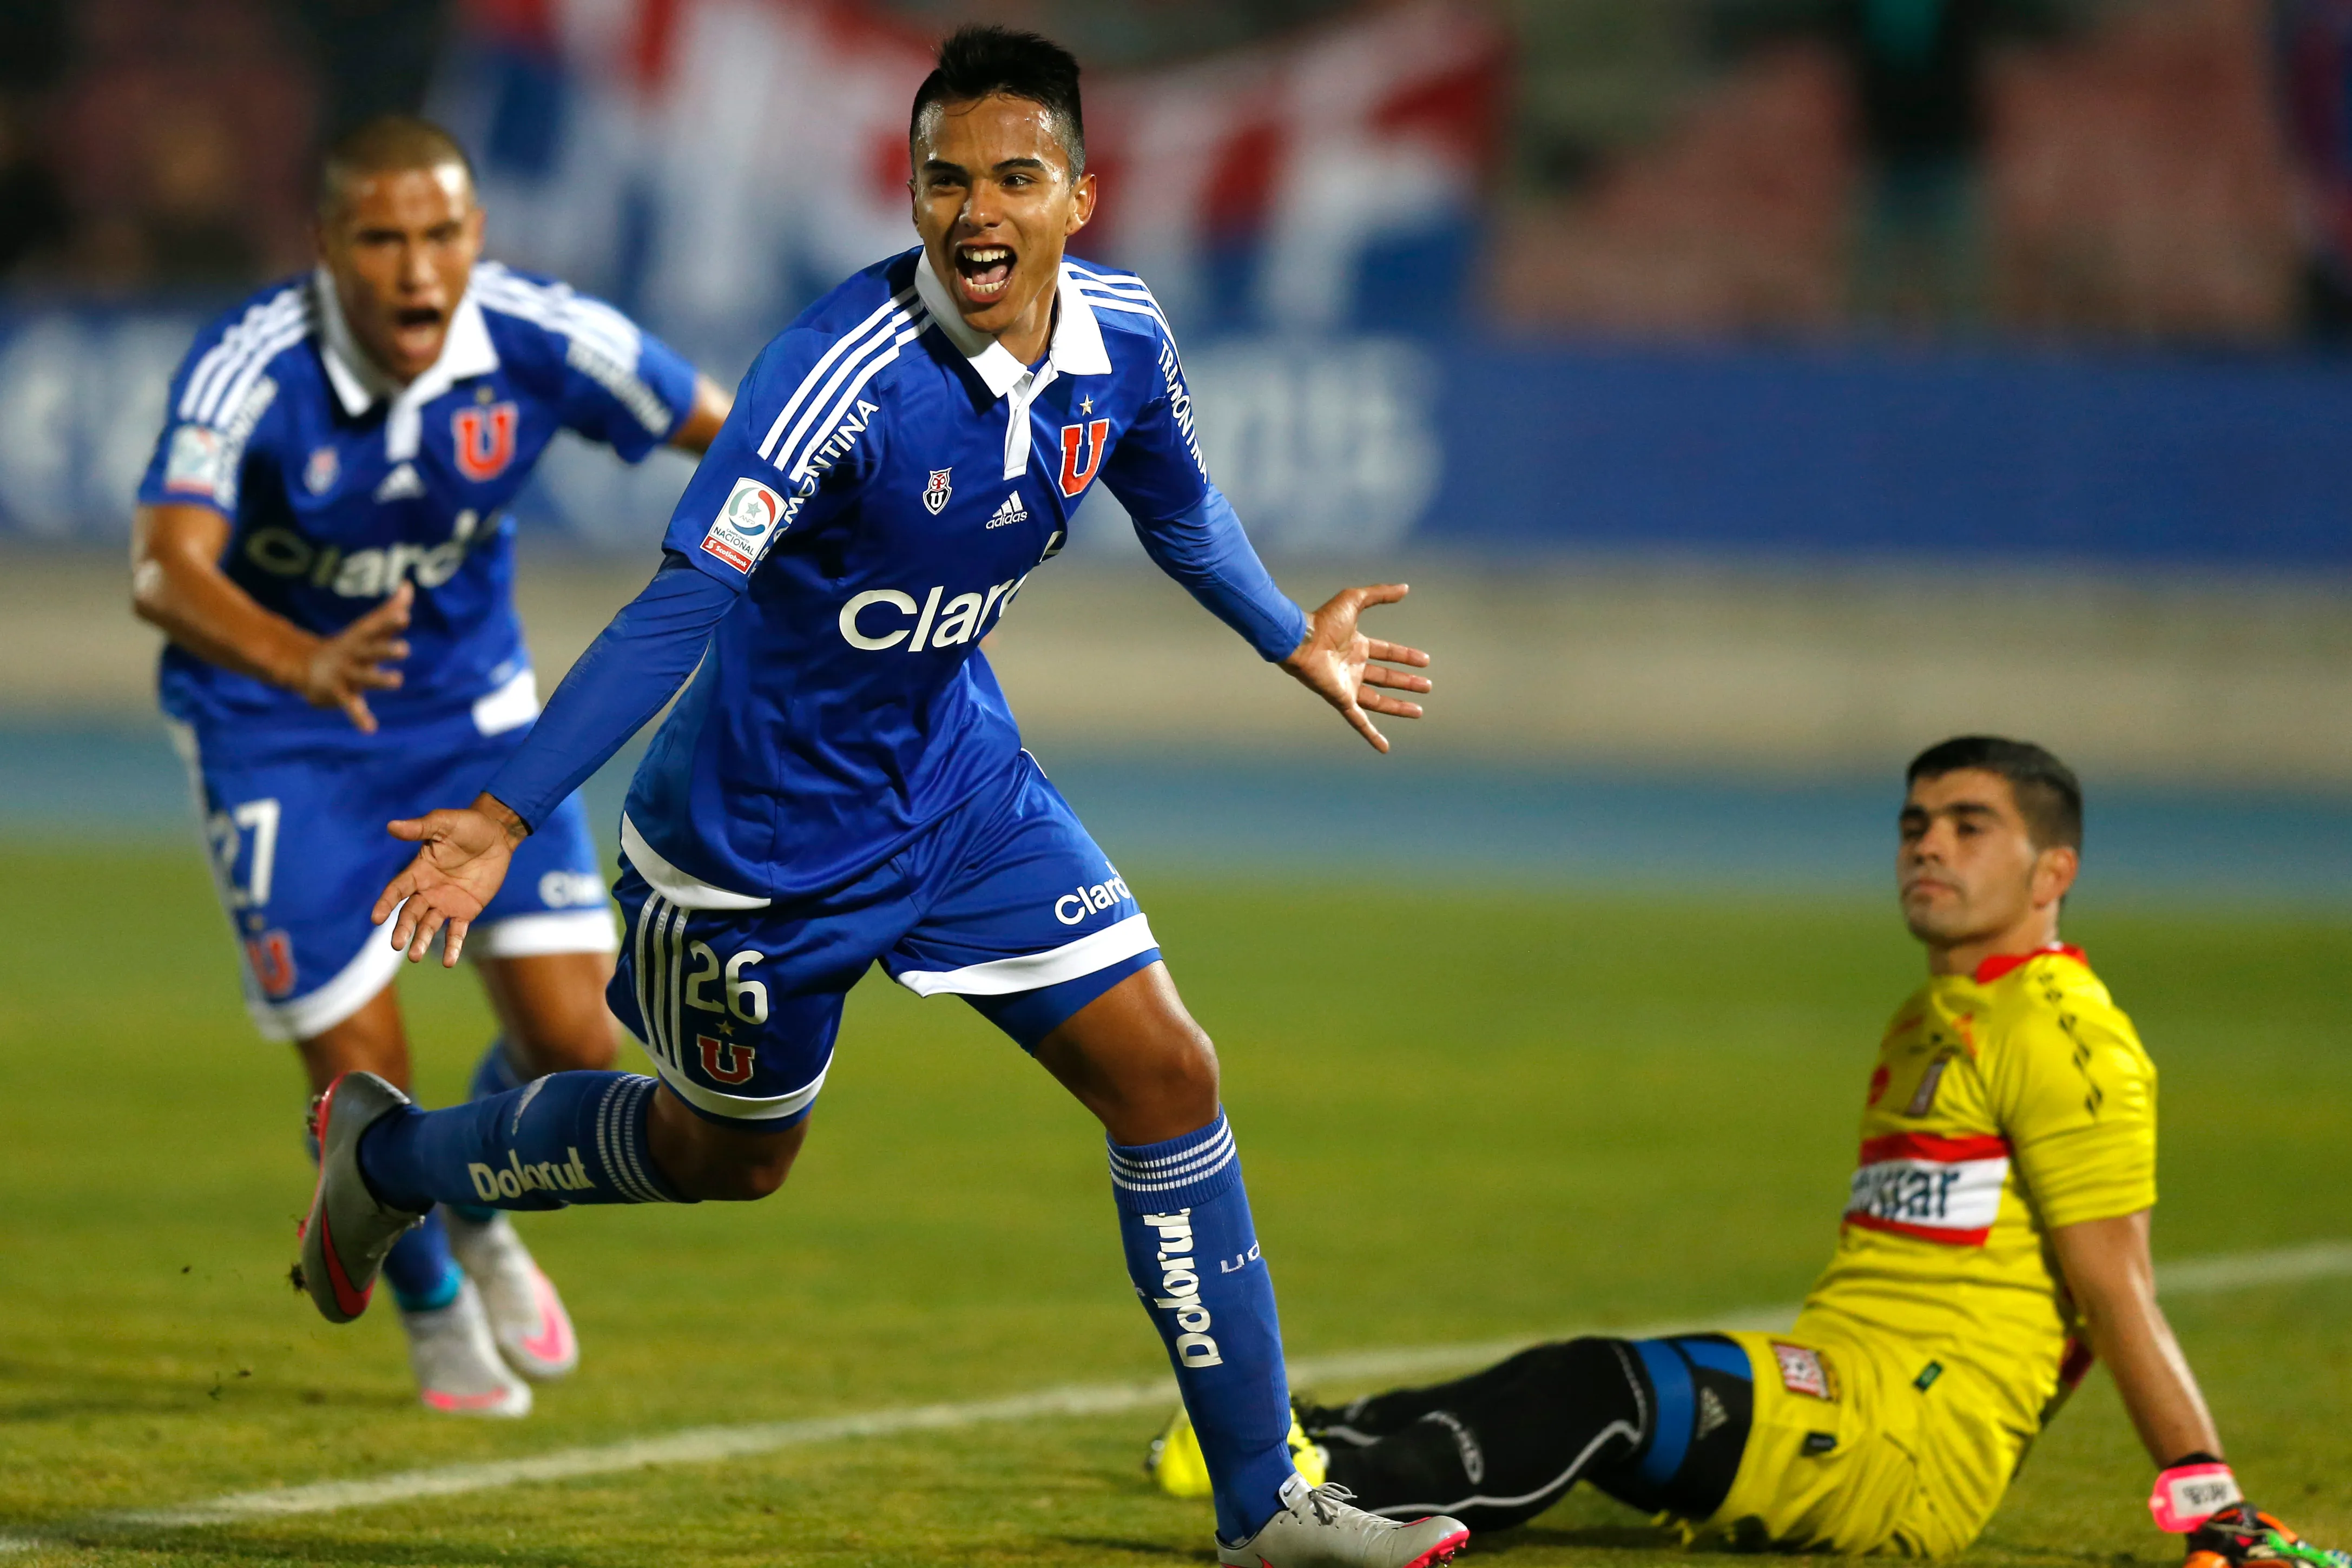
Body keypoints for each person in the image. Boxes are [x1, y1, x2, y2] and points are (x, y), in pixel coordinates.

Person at [300, 27, 1466, 1568]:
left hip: (961, 792)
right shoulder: (838, 372)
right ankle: (389, 1165)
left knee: (1169, 1077)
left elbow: (1176, 499)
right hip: (754, 851)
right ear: (911, 195)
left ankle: (1263, 1508)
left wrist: (1285, 635)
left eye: (1014, 179)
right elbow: (683, 598)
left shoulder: (1122, 334)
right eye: (943, 180)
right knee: (726, 1159)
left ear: (1080, 198)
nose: (976, 212)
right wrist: (506, 816)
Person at [1149, 737, 2349, 1566]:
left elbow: (2114, 1285)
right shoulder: (1934, 1016)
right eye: (1914, 825)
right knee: (1566, 1372)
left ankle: (1312, 1496)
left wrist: (2209, 1500)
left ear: (2054, 871)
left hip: (1908, 1443)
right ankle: (1303, 1436)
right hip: (1844, 1374)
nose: (1928, 847)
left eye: (1968, 827)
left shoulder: (2065, 1035)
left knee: (1600, 1395)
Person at [131, 114, 731, 1417]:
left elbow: (739, 440)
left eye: (441, 235)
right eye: (381, 240)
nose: (416, 270)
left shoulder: (540, 335)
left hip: (470, 720)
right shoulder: (252, 365)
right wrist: (301, 660)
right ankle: (436, 1310)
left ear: (477, 235)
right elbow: (163, 569)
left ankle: (473, 1208)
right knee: (362, 1077)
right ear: (325, 243)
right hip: (278, 736)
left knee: (578, 1042)